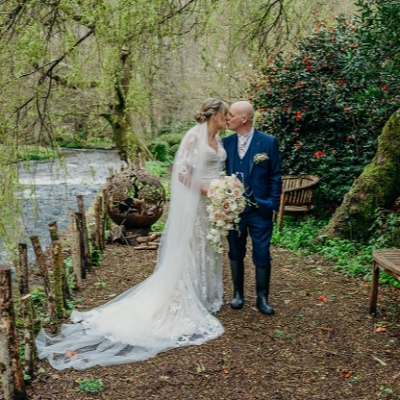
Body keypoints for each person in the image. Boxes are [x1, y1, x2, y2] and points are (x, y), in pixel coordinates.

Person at [36, 98, 229, 370]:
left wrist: (224, 191)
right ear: (213, 115)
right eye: (224, 113)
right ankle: (182, 298)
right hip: (197, 203)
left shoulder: (220, 140)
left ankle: (203, 294)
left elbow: (217, 169)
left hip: (213, 206)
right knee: (189, 248)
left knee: (208, 247)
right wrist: (208, 190)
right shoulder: (191, 138)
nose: (227, 117)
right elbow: (182, 173)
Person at [223, 101, 282, 315]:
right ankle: (238, 294)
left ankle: (262, 298)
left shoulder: (268, 142)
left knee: (262, 253)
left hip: (260, 209)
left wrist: (273, 203)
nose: (226, 118)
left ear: (244, 119)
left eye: (230, 115)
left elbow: (276, 175)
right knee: (235, 251)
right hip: (233, 210)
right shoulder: (226, 143)